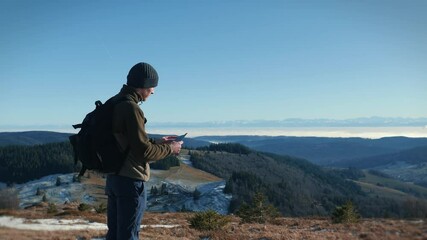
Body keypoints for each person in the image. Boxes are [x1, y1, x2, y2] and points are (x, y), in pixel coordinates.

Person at [105, 62, 183, 240]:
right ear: (144, 85)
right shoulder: (132, 108)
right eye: (152, 87)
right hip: (130, 180)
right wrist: (171, 148)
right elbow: (144, 153)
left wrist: (156, 141)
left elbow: (126, 141)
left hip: (114, 178)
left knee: (115, 234)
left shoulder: (115, 102)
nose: (153, 91)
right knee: (129, 235)